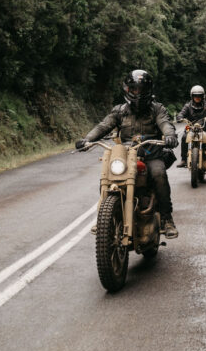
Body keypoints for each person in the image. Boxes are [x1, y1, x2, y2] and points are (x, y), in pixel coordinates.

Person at [75, 69, 180, 238]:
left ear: (148, 90)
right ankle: (103, 218)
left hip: (151, 154)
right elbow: (103, 126)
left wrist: (169, 136)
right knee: (107, 176)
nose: (137, 93)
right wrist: (87, 140)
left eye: (141, 89)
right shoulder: (120, 111)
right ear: (127, 89)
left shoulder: (157, 109)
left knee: (159, 174)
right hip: (125, 155)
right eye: (134, 89)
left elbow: (165, 124)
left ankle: (167, 219)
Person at [175, 85, 206, 168]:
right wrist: (180, 117)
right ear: (192, 96)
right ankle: (183, 159)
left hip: (205, 128)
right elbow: (182, 113)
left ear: (203, 96)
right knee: (184, 137)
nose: (197, 97)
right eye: (195, 95)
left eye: (199, 96)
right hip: (192, 128)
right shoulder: (187, 106)